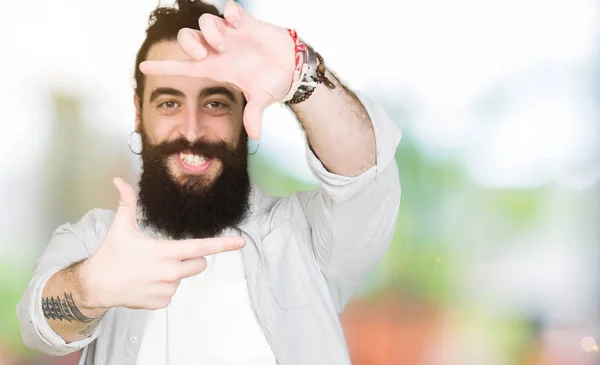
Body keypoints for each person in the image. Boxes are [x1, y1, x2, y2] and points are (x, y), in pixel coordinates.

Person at [17, 0, 402, 364]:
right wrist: (91, 287)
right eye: (169, 103)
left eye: (215, 103)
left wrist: (302, 73)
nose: (192, 129)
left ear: (245, 110)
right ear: (139, 114)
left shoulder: (304, 238)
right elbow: (39, 324)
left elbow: (364, 174)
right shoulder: (96, 239)